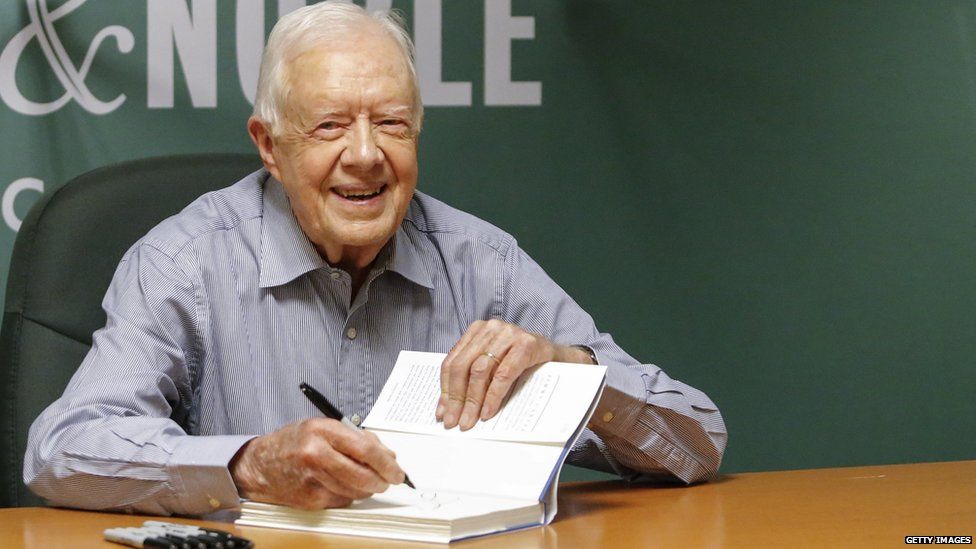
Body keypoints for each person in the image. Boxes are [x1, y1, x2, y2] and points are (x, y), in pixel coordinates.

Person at [24, 2, 727, 516]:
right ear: (269, 145)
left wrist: (577, 375)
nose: (365, 155)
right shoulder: (184, 262)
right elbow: (62, 448)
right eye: (329, 125)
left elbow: (700, 440)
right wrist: (248, 464)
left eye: (391, 122)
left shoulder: (479, 261)